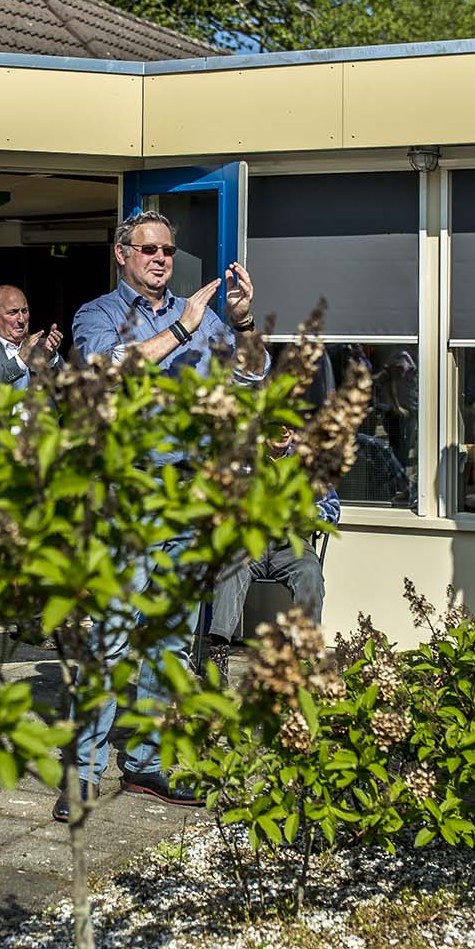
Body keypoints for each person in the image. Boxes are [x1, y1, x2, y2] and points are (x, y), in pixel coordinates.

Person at [62, 209, 265, 820]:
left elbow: (252, 379)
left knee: (172, 641)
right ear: (121, 253)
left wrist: (244, 323)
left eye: (168, 250)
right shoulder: (98, 314)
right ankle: (84, 773)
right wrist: (181, 330)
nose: (160, 259)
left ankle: (147, 762)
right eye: (148, 249)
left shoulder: (201, 315)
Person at [207, 431, 337, 644]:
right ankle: (219, 648)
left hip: (290, 543)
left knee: (309, 571)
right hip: (248, 540)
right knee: (231, 570)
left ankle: (305, 651)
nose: (284, 430)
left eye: (289, 426)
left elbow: (332, 507)